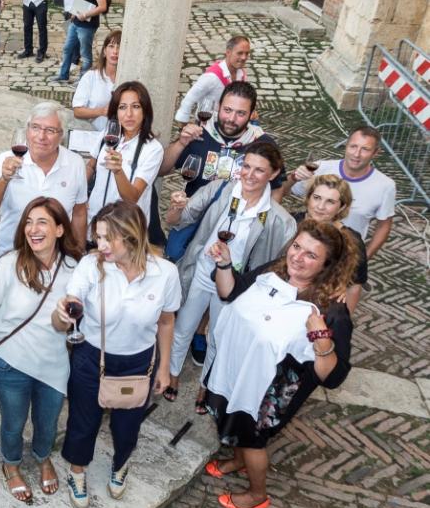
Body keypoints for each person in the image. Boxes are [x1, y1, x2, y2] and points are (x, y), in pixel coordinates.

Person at [203, 219, 356, 508]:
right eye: (296, 246)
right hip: (239, 368)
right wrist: (224, 265)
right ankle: (238, 461)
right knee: (233, 420)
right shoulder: (273, 272)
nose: (297, 257)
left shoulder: (331, 311)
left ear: (327, 265)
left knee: (252, 437)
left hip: (273, 388)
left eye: (311, 255)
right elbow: (230, 293)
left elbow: (333, 377)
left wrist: (322, 340)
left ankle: (256, 494)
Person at [52, 201, 179, 508]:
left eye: (108, 238)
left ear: (133, 236)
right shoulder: (90, 266)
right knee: (83, 420)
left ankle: (121, 464)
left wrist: (165, 367)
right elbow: (68, 306)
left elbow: (166, 321)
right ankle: (77, 471)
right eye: (98, 237)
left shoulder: (165, 273)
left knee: (127, 425)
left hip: (138, 362)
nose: (101, 245)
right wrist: (63, 312)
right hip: (90, 356)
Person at [164, 140, 296, 411]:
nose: (249, 175)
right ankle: (173, 374)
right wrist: (177, 207)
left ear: (273, 173)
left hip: (235, 286)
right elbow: (177, 220)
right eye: (246, 166)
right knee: (184, 327)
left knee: (218, 337)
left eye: (259, 170)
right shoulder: (219, 189)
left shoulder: (279, 220)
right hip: (202, 271)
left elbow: (279, 266)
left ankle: (206, 386)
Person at [0, 197, 81, 502]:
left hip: (53, 364)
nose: (33, 229)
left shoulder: (74, 269)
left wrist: (64, 319)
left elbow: (65, 325)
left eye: (42, 222)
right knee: (13, 424)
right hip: (11, 363)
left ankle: (43, 458)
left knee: (47, 424)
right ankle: (11, 464)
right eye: (29, 222)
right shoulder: (10, 263)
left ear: (60, 229)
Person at [0, 102, 88, 258]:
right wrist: (4, 179)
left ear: (61, 135)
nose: (41, 136)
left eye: (50, 130)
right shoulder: (5, 160)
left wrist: (79, 255)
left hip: (56, 259)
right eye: (35, 127)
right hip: (12, 256)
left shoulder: (75, 163)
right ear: (27, 130)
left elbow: (79, 213)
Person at [160, 81, 285, 201]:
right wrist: (181, 143)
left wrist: (263, 216)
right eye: (227, 110)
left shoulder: (264, 144)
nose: (231, 119)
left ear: (252, 114)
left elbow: (277, 189)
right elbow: (161, 170)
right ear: (218, 107)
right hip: (196, 213)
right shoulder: (199, 133)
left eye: (241, 113)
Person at [283, 126, 395, 259]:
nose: (356, 154)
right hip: (305, 248)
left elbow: (384, 226)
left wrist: (364, 257)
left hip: (346, 254)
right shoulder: (319, 168)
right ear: (346, 145)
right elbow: (283, 191)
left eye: (365, 149)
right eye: (353, 146)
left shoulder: (385, 186)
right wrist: (293, 177)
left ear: (376, 153)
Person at [86, 81, 163, 238]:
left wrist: (118, 171)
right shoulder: (107, 135)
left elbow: (132, 197)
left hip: (124, 232)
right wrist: (79, 198)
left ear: (145, 111)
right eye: (122, 107)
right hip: (94, 224)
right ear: (116, 111)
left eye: (136, 106)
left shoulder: (153, 149)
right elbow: (91, 166)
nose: (129, 114)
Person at [292, 174, 367, 312]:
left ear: (342, 207)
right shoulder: (289, 223)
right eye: (316, 198)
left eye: (330, 202)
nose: (320, 206)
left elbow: (354, 287)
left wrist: (344, 320)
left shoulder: (352, 241)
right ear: (308, 198)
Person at [53, 0, 109, 83]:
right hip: (76, 22)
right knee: (67, 48)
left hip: (87, 26)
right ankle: (63, 75)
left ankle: (83, 81)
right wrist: (74, 13)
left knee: (85, 55)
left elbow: (102, 6)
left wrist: (86, 14)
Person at [174, 35, 251, 124]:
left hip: (229, 125)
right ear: (228, 52)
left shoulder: (242, 74)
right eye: (240, 53)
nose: (244, 57)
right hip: (206, 124)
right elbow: (189, 98)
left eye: (247, 53)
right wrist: (183, 124)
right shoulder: (212, 77)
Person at [72, 29, 120, 131]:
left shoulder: (128, 78)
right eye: (111, 46)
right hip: (94, 133)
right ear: (104, 51)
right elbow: (77, 111)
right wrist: (102, 111)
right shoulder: (91, 77)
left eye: (119, 47)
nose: (115, 51)